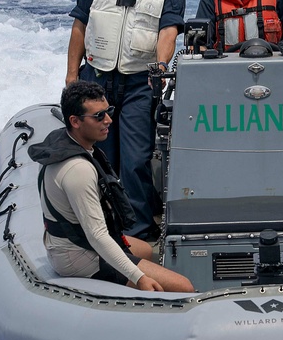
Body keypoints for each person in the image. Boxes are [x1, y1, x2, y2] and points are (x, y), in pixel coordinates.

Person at [65, 0, 185, 242]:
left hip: (138, 84)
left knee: (134, 161)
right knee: (96, 156)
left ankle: (138, 233)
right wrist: (72, 78)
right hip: (96, 80)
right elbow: (80, 23)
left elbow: (169, 28)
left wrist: (160, 70)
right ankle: (96, 225)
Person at [28, 81, 195, 293]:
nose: (108, 120)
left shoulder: (68, 142)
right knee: (184, 287)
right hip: (79, 255)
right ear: (75, 121)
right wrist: (139, 277)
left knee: (143, 249)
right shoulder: (78, 170)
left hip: (73, 241)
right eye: (99, 116)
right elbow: (97, 236)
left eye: (108, 111)